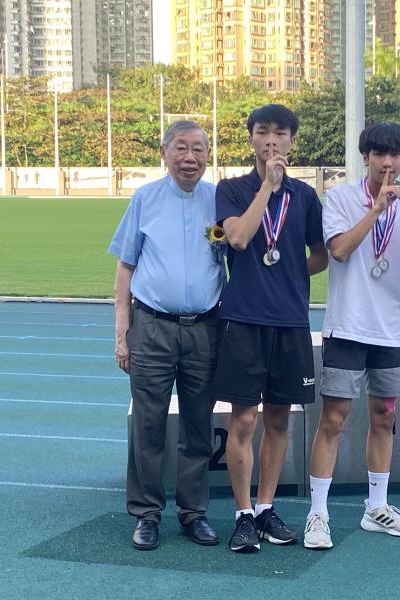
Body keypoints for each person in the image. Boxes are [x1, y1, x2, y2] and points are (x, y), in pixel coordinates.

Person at [304, 122, 400, 550]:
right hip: (347, 327)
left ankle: (377, 506)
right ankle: (317, 513)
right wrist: (375, 209)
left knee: (385, 418)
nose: (387, 162)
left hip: (389, 330)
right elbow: (338, 250)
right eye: (379, 154)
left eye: (396, 155)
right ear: (366, 157)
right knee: (333, 419)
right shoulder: (339, 198)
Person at [215, 104, 327, 553]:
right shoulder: (231, 188)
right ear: (252, 140)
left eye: (281, 134)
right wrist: (267, 186)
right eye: (263, 133)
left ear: (291, 142)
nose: (272, 141)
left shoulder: (305, 196)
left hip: (290, 321)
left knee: (279, 419)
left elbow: (320, 254)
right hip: (242, 319)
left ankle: (265, 508)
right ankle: (242, 514)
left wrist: (291, 273)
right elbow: (238, 239)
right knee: (243, 418)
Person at [109, 120, 225, 551]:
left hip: (205, 328)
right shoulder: (145, 198)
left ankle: (194, 513)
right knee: (148, 423)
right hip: (153, 326)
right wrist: (123, 333)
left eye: (198, 149)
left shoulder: (220, 200)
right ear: (164, 152)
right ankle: (146, 513)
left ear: (208, 155)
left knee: (198, 424)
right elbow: (125, 266)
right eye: (181, 148)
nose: (189, 157)